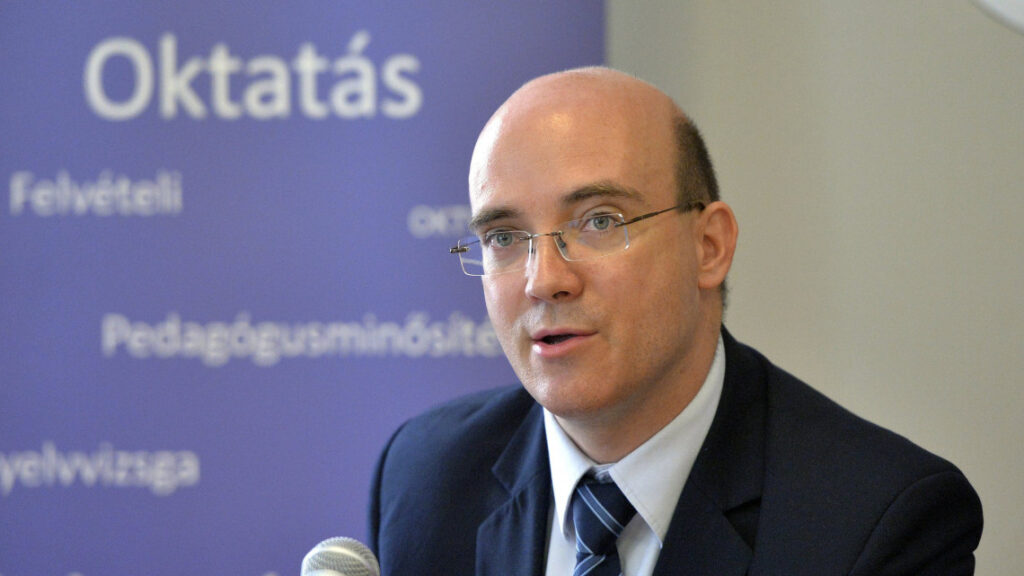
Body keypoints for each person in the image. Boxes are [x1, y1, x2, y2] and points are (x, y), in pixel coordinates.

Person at [367, 67, 983, 575]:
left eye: (600, 221)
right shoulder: (425, 475)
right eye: (504, 237)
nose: (543, 280)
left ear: (709, 246)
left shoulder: (877, 521)